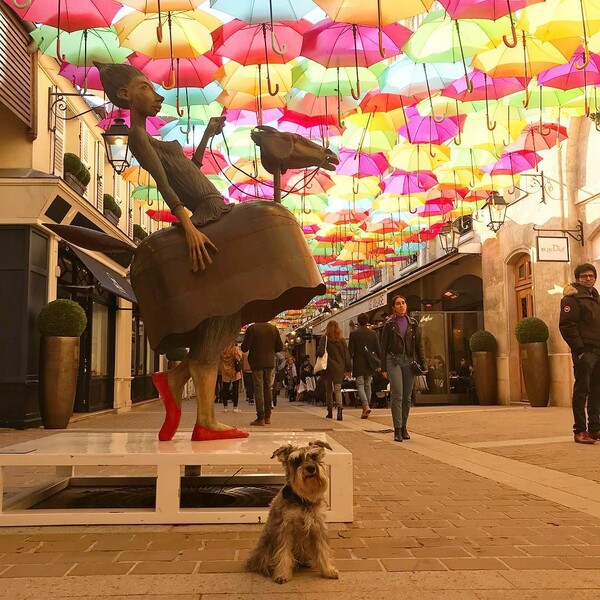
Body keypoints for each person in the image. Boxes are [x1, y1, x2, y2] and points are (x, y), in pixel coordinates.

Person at [94, 62, 327, 442]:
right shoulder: (136, 137)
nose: (157, 96)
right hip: (203, 214)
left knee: (230, 314)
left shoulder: (152, 138)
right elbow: (166, 185)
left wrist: (206, 135)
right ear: (124, 96)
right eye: (145, 89)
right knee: (263, 227)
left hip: (212, 203)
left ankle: (181, 389)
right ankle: (200, 416)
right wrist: (187, 226)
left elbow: (191, 169)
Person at [559, 263, 600, 444]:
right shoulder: (571, 298)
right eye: (584, 276)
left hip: (598, 351)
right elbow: (567, 326)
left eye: (591, 276)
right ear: (578, 279)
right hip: (586, 352)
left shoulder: (595, 297)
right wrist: (580, 350)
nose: (588, 278)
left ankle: (594, 429)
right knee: (582, 391)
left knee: (597, 391)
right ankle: (579, 431)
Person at [380, 294, 426, 442]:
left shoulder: (413, 323)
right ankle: (397, 429)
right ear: (393, 307)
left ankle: (404, 426)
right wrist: (383, 367)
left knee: (407, 396)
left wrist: (423, 363)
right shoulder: (389, 324)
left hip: (409, 361)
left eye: (403, 303)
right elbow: (383, 347)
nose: (401, 305)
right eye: (398, 303)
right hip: (393, 360)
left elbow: (419, 345)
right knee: (397, 394)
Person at [241, 321, 283, 426]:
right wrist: (270, 350)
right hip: (269, 362)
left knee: (258, 389)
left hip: (256, 362)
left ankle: (260, 417)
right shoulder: (273, 329)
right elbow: (279, 347)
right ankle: (268, 416)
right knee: (268, 388)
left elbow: (244, 347)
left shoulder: (252, 329)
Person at [348, 312, 382, 419]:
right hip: (370, 363)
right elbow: (378, 349)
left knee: (360, 385)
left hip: (358, 362)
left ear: (358, 322)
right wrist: (380, 362)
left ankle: (365, 405)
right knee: (368, 384)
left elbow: (350, 351)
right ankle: (366, 407)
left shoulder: (353, 334)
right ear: (367, 321)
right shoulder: (373, 333)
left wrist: (348, 364)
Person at [316, 320, 351, 419]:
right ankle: (340, 410)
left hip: (328, 367)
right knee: (337, 388)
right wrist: (348, 369)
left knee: (328, 390)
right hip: (339, 367)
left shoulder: (324, 338)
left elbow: (320, 352)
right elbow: (346, 355)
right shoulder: (342, 340)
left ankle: (330, 411)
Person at [219, 342, 242, 413]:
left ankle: (225, 407)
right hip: (234, 371)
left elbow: (220, 358)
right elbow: (239, 357)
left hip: (225, 371)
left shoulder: (223, 350)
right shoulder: (235, 349)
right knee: (235, 389)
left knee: (225, 389)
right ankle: (235, 407)